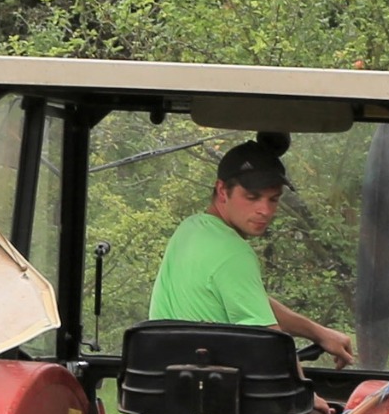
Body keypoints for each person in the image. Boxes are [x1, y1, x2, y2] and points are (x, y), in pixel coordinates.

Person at [146, 138, 355, 362]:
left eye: (273, 199)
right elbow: (272, 349)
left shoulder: (190, 229)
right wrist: (310, 397)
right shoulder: (234, 254)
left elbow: (250, 300)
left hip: (164, 384)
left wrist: (319, 333)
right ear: (222, 191)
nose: (264, 210)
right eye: (252, 197)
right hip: (212, 392)